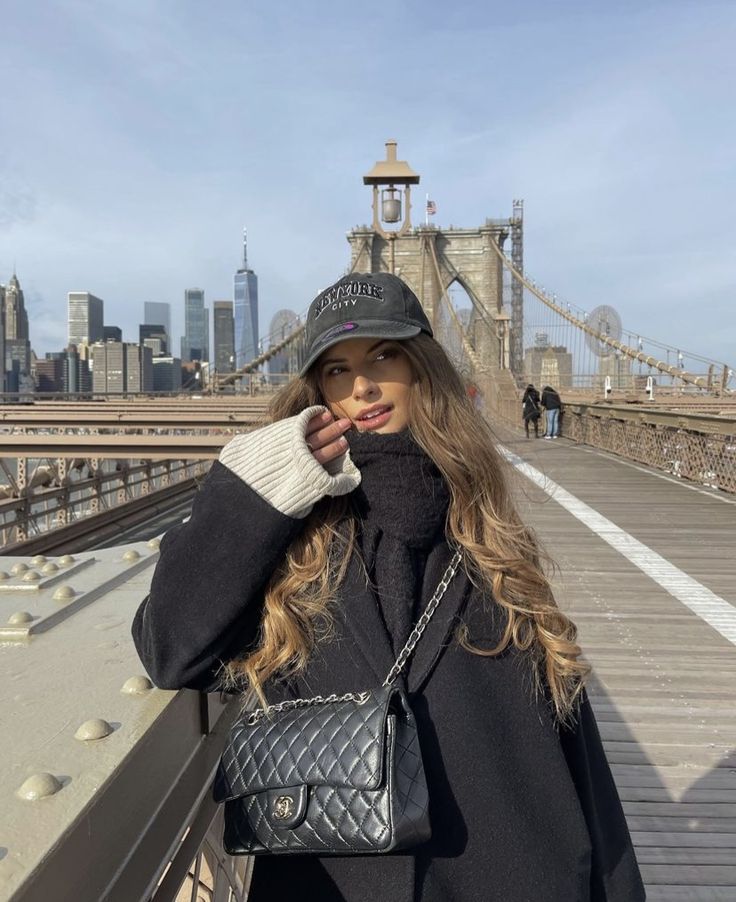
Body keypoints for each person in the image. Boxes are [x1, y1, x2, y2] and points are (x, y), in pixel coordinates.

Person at [132, 273, 645, 902]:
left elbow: (577, 758)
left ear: (423, 368)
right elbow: (170, 648)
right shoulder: (296, 548)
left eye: (384, 355)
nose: (363, 386)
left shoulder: (490, 540)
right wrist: (252, 493)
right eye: (336, 370)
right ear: (317, 393)